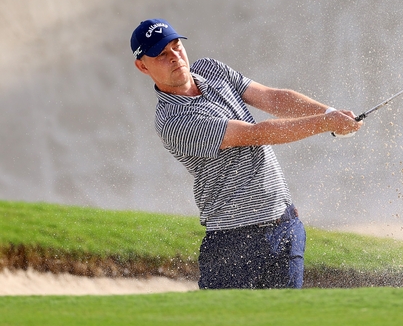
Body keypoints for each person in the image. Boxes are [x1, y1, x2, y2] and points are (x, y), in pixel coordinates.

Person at [131, 18, 361, 289]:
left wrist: (329, 113)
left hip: (284, 226)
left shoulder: (210, 68)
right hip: (233, 242)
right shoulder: (173, 120)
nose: (175, 57)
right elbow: (255, 134)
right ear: (143, 66)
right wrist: (326, 124)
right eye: (161, 54)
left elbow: (272, 97)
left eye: (176, 46)